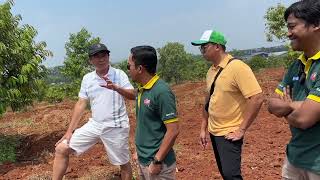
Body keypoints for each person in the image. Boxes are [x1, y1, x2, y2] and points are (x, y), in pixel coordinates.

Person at [52, 43, 135, 180]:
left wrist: (116, 88)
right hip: (95, 124)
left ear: (108, 57)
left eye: (104, 55)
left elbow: (133, 95)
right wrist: (69, 131)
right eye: (96, 56)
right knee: (61, 148)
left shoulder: (119, 74)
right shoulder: (87, 78)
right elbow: (81, 104)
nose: (101, 59)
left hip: (116, 126)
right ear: (90, 60)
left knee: (123, 163)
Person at [191, 30, 264, 180]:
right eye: (201, 48)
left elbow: (256, 98)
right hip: (214, 131)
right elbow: (207, 101)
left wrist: (241, 129)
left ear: (217, 46)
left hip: (229, 132)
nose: (202, 51)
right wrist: (203, 128)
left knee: (231, 175)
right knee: (225, 173)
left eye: (204, 47)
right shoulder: (211, 71)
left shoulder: (237, 67)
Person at [267, 0, 320, 179]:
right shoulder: (296, 65)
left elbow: (304, 118)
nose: (288, 33)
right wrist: (300, 106)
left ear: (316, 24)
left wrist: (288, 106)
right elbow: (272, 104)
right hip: (294, 159)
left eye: (292, 27)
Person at [127, 45, 179, 180]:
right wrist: (139, 152)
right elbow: (146, 124)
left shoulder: (162, 92)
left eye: (129, 66)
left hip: (158, 165)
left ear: (140, 69)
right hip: (143, 159)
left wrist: (157, 160)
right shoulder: (142, 89)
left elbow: (173, 131)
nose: (128, 70)